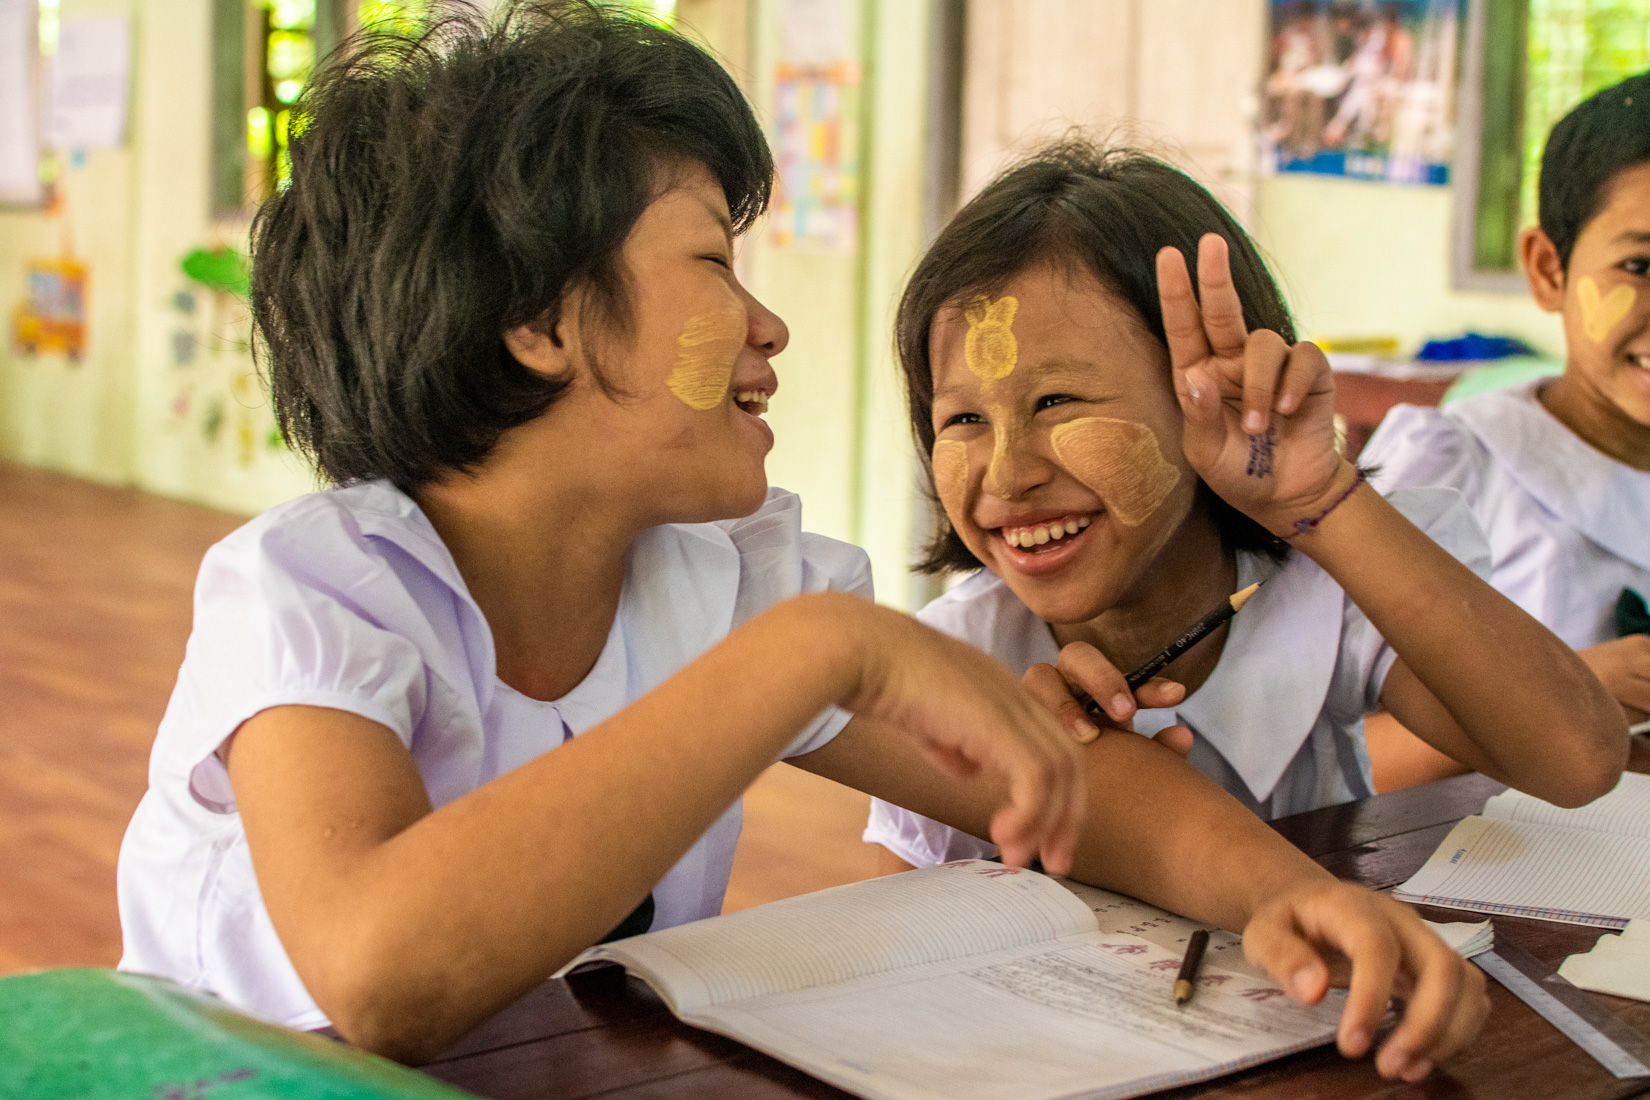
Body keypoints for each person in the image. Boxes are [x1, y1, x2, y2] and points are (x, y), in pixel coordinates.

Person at [117, 7, 1487, 1079]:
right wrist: (816, 655)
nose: (769, 326)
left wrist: (1283, 898)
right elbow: (380, 977)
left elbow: (1091, 789)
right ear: (539, 320)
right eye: (714, 264)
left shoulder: (727, 577)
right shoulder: (318, 589)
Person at [865, 141, 1623, 872]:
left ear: (1213, 400)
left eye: (1057, 401)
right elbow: (900, 956)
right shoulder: (954, 666)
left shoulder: (1327, 594)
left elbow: (1576, 761)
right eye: (962, 419)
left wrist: (1323, 499)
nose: (1008, 473)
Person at [1362, 72, 1650, 789]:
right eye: (1640, 265)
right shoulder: (1449, 476)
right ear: (1548, 268)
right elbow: (1325, 757)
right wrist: (1558, 699)